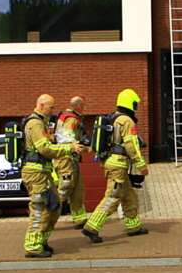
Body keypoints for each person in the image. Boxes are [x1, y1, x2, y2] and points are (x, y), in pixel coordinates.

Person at [81, 89, 150, 243]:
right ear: (131, 103)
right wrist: (142, 166)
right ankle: (91, 227)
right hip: (118, 164)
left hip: (112, 162)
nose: (136, 106)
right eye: (135, 104)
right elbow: (131, 145)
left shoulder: (113, 118)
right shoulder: (127, 121)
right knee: (113, 196)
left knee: (129, 195)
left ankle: (133, 227)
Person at [21, 94, 85, 258]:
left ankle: (41, 240)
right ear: (41, 105)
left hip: (43, 172)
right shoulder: (35, 123)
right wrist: (68, 148)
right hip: (36, 174)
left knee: (54, 206)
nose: (53, 110)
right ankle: (33, 246)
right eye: (51, 107)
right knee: (40, 209)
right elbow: (45, 149)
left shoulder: (41, 122)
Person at [54, 96, 89, 229]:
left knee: (77, 190)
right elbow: (67, 139)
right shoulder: (71, 119)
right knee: (65, 188)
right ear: (79, 106)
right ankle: (47, 217)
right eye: (83, 105)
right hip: (66, 158)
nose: (84, 108)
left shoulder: (68, 117)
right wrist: (86, 148)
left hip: (71, 158)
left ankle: (79, 220)